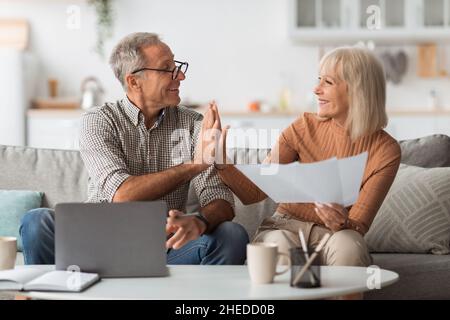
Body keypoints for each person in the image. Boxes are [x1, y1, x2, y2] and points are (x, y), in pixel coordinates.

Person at [20, 32, 249, 265]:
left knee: (231, 235)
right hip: (95, 243)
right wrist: (193, 166)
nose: (180, 75)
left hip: (166, 249)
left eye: (177, 66)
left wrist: (200, 220)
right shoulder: (98, 121)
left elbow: (220, 200)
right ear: (134, 81)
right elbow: (122, 195)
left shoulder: (193, 125)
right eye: (167, 68)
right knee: (36, 222)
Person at [213, 46, 401, 271]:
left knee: (349, 246)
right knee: (278, 244)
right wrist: (221, 161)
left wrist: (342, 222)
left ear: (357, 91)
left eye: (327, 82)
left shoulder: (386, 150)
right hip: (285, 227)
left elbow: (358, 224)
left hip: (336, 235)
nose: (316, 89)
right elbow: (253, 192)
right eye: (318, 79)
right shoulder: (303, 127)